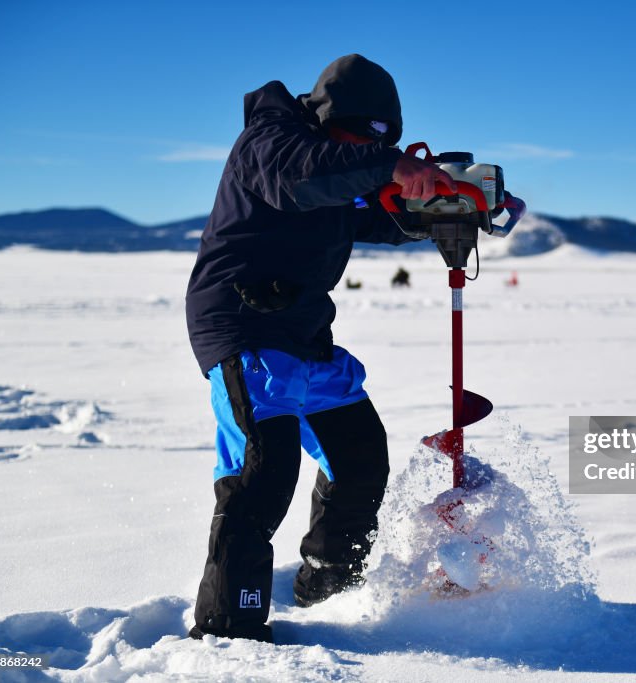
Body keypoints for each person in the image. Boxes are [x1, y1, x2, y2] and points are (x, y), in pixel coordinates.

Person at [184, 54, 456, 643]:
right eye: (357, 133)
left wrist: (455, 209)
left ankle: (326, 586)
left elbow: (378, 213)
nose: (364, 146)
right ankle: (229, 629)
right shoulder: (273, 141)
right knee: (264, 468)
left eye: (379, 140)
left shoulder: (340, 166)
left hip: (304, 334)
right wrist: (386, 163)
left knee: (359, 457)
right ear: (329, 116)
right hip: (241, 324)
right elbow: (308, 177)